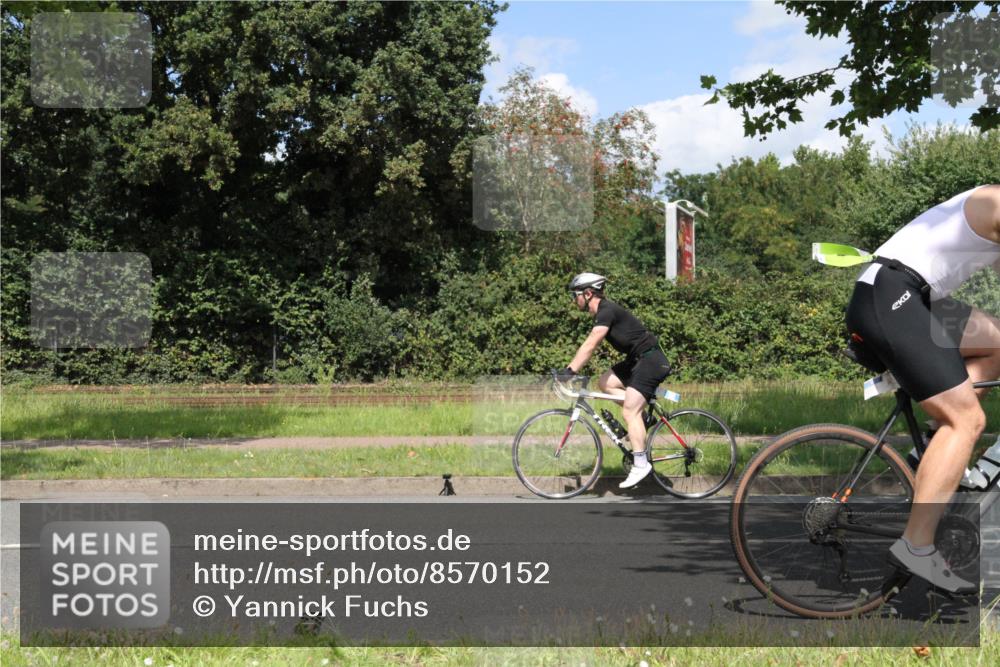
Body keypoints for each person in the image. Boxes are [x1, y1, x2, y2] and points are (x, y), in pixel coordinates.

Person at [844, 184, 1000, 593]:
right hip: (893, 295)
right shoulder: (996, 202)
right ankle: (916, 545)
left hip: (903, 295)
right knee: (967, 419)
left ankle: (931, 447)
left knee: (998, 342)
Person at [557, 272, 672, 489]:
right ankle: (643, 418)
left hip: (651, 361)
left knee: (629, 411)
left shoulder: (606, 311)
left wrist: (570, 371)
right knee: (605, 383)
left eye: (576, 295)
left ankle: (640, 464)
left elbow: (591, 344)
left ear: (588, 293)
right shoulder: (604, 312)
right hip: (637, 360)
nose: (575, 300)